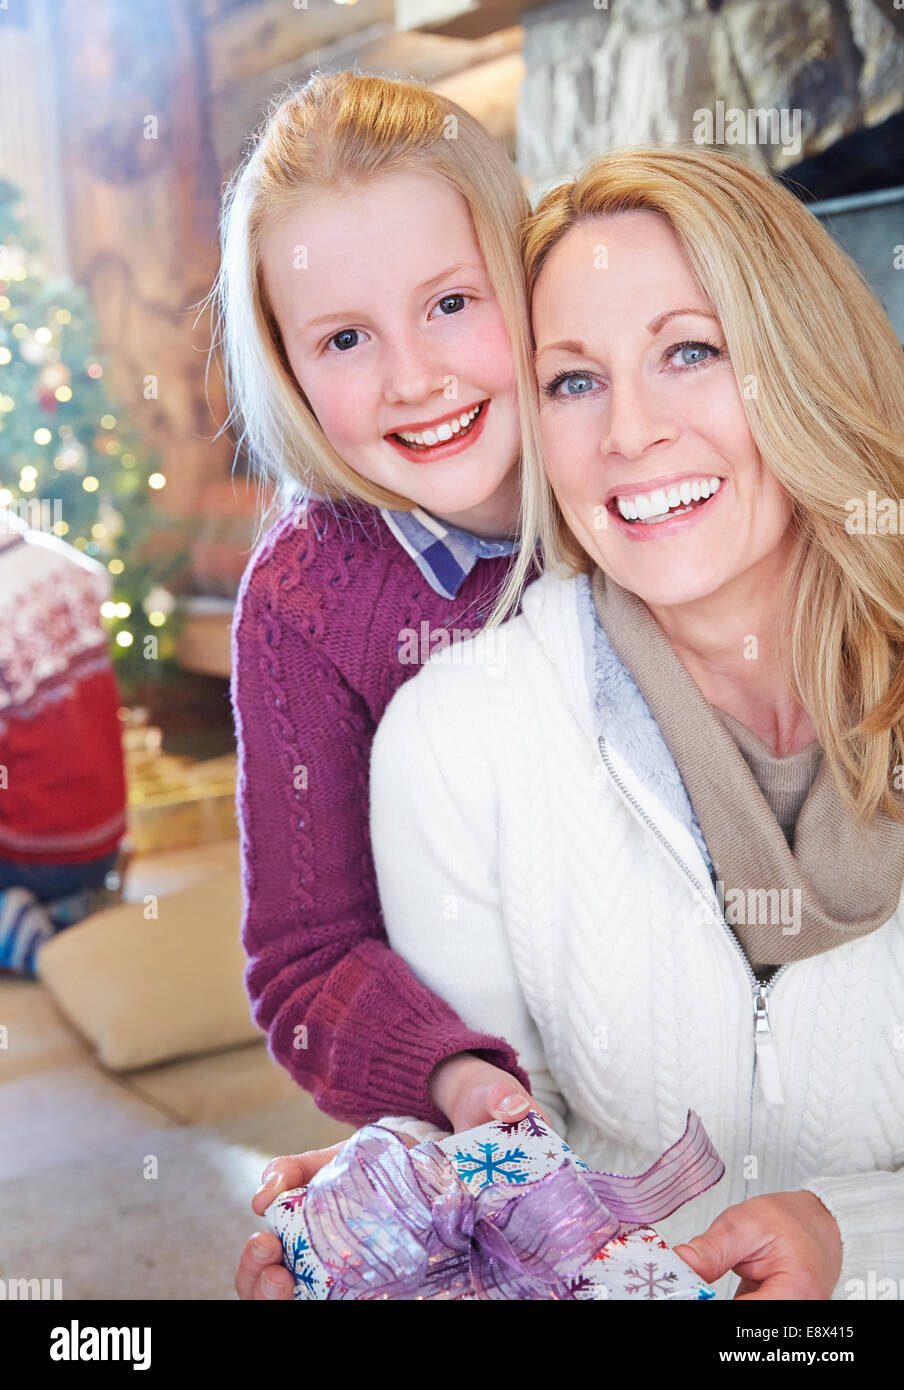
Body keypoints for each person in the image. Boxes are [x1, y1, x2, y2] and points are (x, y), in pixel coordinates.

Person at [219, 70, 552, 1247]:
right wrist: (453, 1078)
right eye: (346, 338)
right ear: (289, 366)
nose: (416, 377)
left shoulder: (645, 480)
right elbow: (308, 960)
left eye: (452, 302)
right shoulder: (298, 605)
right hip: (504, 1115)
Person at [0, 507, 127, 975]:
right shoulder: (61, 561)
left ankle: (21, 929)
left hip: (35, 851)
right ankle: (73, 907)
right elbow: (97, 580)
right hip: (104, 836)